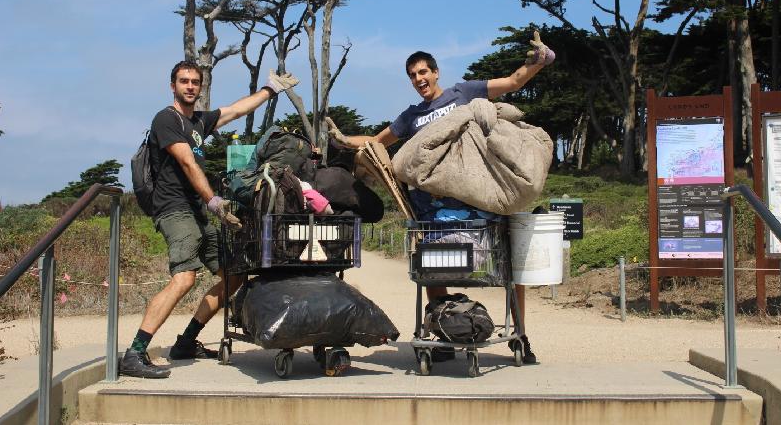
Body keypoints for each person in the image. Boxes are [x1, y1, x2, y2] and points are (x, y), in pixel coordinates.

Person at [325, 31, 555, 364]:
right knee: (432, 264)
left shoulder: (464, 93)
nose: (419, 79)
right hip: (436, 206)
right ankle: (446, 332)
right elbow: (377, 143)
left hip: (479, 198)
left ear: (435, 73)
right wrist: (345, 139)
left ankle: (520, 335)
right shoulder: (411, 117)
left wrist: (538, 61)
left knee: (511, 270)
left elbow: (513, 82)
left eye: (423, 72)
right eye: (413, 75)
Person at [119, 61, 298, 378]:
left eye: (195, 82)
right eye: (183, 81)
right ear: (172, 85)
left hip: (197, 212)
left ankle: (186, 342)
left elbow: (235, 111)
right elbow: (188, 163)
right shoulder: (166, 119)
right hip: (174, 209)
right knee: (185, 277)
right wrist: (214, 202)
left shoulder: (199, 122)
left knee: (233, 275)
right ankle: (134, 352)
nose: (189, 86)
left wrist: (271, 89)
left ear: (200, 87)